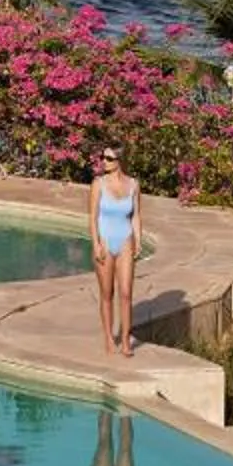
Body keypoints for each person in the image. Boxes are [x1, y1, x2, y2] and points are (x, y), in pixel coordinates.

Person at [88, 147, 140, 356]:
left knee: (126, 294)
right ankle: (109, 338)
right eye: (102, 157)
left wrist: (138, 239)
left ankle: (126, 340)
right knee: (107, 293)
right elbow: (92, 218)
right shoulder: (98, 184)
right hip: (105, 242)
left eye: (109, 158)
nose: (104, 162)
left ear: (120, 161)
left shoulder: (134, 184)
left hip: (126, 240)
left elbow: (136, 215)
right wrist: (96, 244)